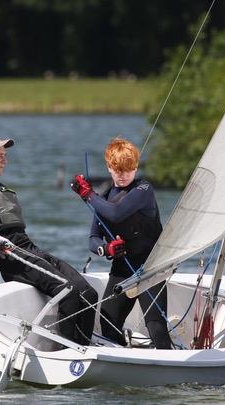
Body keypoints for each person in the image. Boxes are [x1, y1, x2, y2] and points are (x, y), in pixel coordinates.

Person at [0, 134, 98, 345]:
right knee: (68, 291)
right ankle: (67, 351)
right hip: (12, 254)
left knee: (88, 293)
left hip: (27, 248)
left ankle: (84, 346)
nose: (5, 160)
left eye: (5, 156)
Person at [70, 137, 172, 349]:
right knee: (108, 324)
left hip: (150, 266)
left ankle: (169, 373)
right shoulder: (105, 197)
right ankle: (123, 361)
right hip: (122, 268)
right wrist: (106, 248)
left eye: (129, 169)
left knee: (156, 327)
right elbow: (93, 238)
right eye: (118, 169)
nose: (123, 174)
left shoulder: (144, 190)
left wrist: (88, 194)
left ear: (136, 167)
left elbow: (116, 214)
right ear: (109, 167)